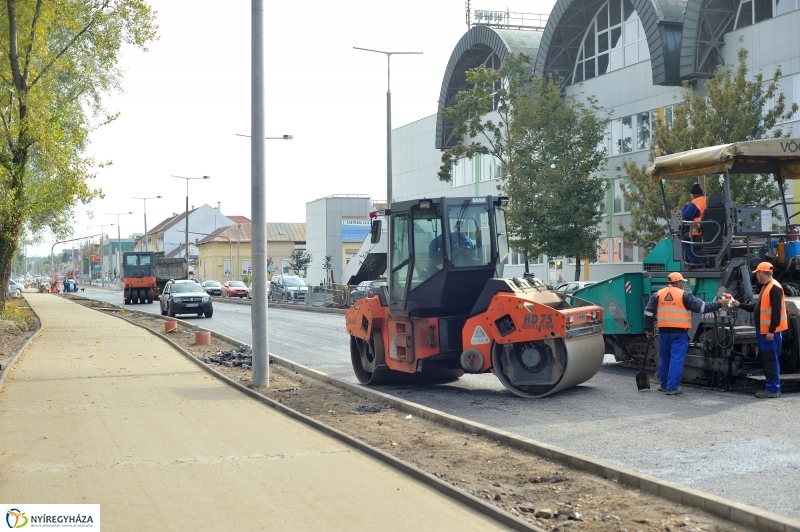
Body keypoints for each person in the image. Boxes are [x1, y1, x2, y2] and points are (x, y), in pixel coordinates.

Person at [643, 272, 725, 395]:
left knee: (664, 358)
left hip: (663, 332)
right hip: (679, 333)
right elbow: (702, 308)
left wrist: (648, 329)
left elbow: (648, 313)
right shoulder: (684, 295)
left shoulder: (657, 294)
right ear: (678, 282)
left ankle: (664, 385)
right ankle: (672, 388)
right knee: (676, 359)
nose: (682, 284)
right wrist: (719, 304)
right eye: (681, 282)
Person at [730, 262, 786, 398]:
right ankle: (771, 386)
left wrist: (771, 330)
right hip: (765, 331)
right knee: (768, 359)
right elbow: (757, 309)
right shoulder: (767, 288)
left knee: (770, 360)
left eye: (757, 273)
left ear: (762, 273)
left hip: (769, 332)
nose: (757, 276)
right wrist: (739, 305)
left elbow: (776, 312)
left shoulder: (773, 288)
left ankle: (773, 389)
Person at [681, 183, 706, 263]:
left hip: (699, 232)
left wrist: (686, 206)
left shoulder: (695, 202)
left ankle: (694, 260)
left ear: (694, 195)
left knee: (684, 237)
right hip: (713, 232)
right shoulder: (708, 200)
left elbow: (686, 216)